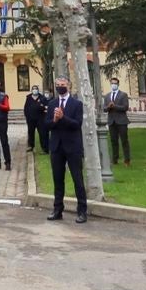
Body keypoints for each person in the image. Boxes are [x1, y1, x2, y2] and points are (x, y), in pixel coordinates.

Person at [45, 75, 87, 223]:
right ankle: (57, 209)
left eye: (62, 84)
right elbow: (47, 125)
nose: (60, 87)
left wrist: (63, 117)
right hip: (57, 146)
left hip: (73, 147)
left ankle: (82, 211)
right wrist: (55, 120)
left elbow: (77, 124)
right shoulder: (52, 104)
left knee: (77, 179)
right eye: (57, 84)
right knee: (58, 179)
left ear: (68, 85)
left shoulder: (76, 104)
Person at [103, 78, 131, 167]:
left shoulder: (123, 95)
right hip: (112, 122)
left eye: (115, 83)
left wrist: (115, 106)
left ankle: (127, 160)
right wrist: (108, 106)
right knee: (113, 141)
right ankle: (114, 159)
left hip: (121, 121)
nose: (113, 85)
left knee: (124, 141)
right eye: (112, 83)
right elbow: (104, 109)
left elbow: (125, 107)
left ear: (118, 84)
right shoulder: (107, 96)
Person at [24, 85, 47, 153]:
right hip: (31, 119)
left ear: (38, 90)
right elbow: (26, 108)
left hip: (40, 119)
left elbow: (45, 107)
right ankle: (31, 146)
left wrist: (41, 107)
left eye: (36, 89)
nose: (35, 90)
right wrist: (27, 117)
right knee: (30, 132)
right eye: (33, 89)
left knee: (42, 133)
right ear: (31, 90)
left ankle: (44, 148)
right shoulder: (28, 97)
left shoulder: (42, 97)